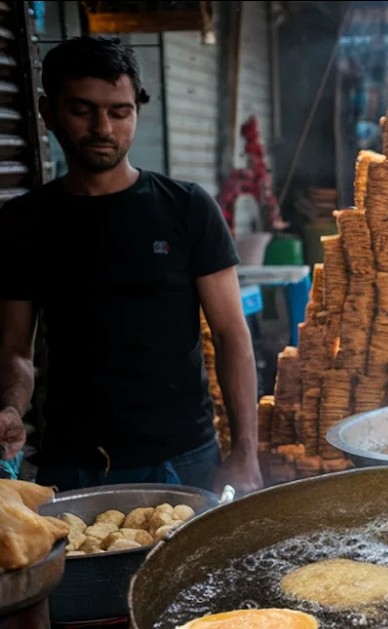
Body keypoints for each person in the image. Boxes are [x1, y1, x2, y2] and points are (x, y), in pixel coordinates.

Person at [0, 36, 261, 494]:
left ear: (137, 111)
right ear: (47, 113)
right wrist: (10, 407)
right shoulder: (24, 222)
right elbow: (16, 350)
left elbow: (230, 335)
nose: (103, 128)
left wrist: (244, 452)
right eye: (82, 110)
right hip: (71, 466)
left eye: (119, 112)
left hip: (182, 460)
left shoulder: (187, 208)